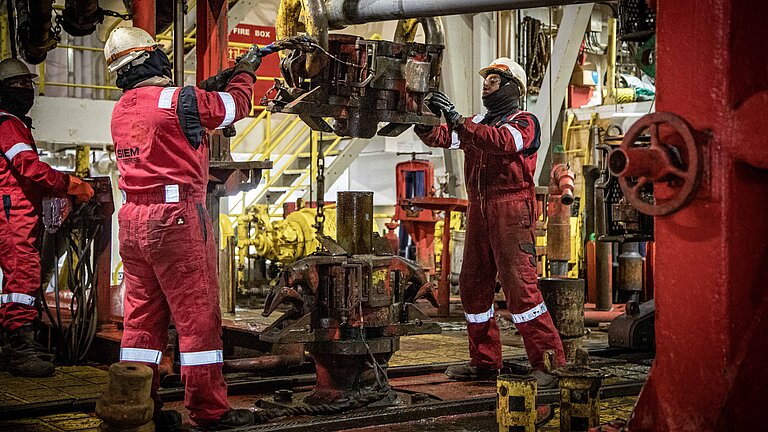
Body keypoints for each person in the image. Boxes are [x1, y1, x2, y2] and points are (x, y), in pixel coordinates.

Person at [104, 27, 261, 429]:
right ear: (150, 58)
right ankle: (209, 411)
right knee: (197, 320)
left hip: (132, 222)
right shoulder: (179, 100)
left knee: (141, 321)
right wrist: (246, 72)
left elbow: (170, 114)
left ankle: (138, 406)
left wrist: (204, 89)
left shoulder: (121, 109)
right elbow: (235, 107)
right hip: (176, 220)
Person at [415, 58, 566, 387]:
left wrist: (458, 121)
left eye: (494, 81)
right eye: (486, 80)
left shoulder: (524, 122)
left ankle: (549, 364)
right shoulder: (477, 123)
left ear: (513, 88)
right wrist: (422, 117)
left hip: (511, 209)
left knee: (521, 289)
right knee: (472, 287)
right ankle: (484, 362)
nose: (486, 85)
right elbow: (443, 137)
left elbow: (503, 142)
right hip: (479, 210)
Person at [0, 58, 94, 377]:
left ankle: (13, 345)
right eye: (18, 84)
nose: (26, 90)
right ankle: (21, 351)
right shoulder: (8, 124)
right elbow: (28, 166)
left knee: (19, 277)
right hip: (12, 212)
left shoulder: (14, 123)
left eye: (28, 83)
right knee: (22, 277)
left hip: (18, 210)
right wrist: (69, 183)